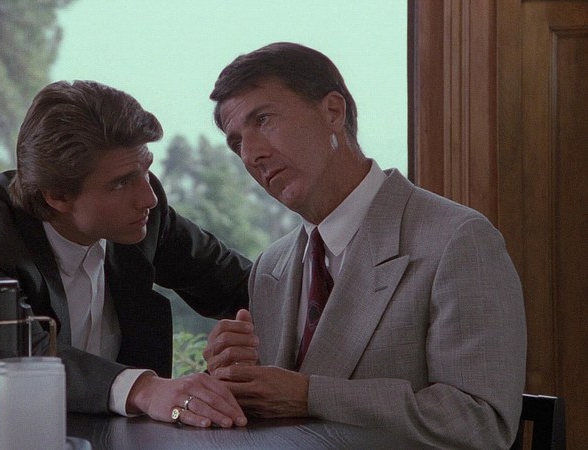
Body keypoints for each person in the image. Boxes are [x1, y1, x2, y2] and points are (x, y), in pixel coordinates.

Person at [201, 42, 526, 448]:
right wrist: (233, 381)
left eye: (263, 120)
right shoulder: (270, 266)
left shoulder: (459, 240)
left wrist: (309, 396)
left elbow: (481, 424)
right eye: (236, 143)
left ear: (333, 112)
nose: (251, 154)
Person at [0, 80, 250, 428]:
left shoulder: (144, 215)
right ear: (56, 196)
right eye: (121, 182)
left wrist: (248, 341)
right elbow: (15, 360)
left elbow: (244, 285)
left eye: (146, 169)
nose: (148, 197)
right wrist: (145, 390)